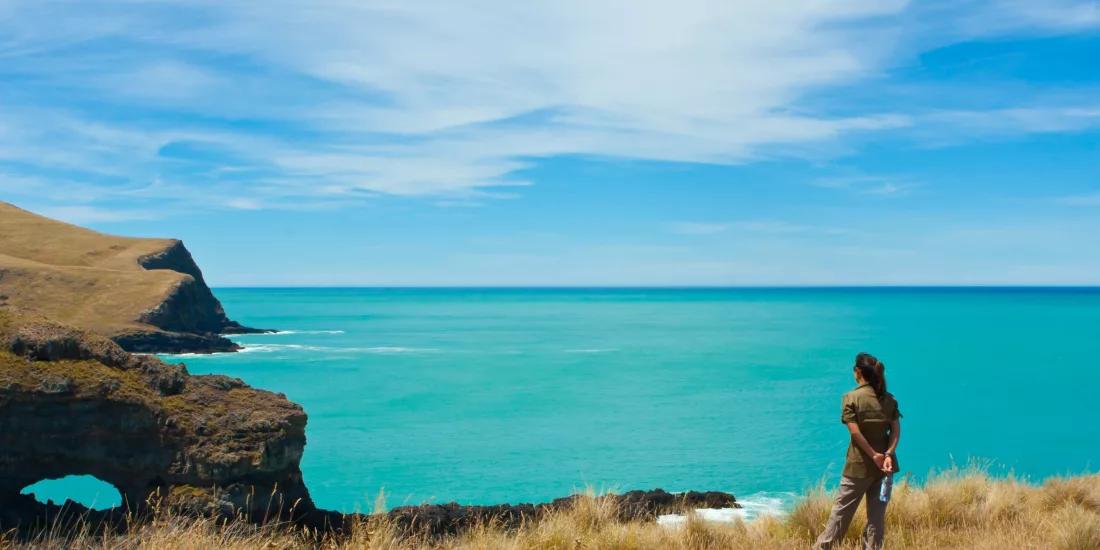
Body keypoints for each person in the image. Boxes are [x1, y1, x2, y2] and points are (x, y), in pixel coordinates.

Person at [813, 352, 902, 550]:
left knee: (840, 516)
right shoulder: (889, 399)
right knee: (876, 520)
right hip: (884, 469)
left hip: (858, 467)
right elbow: (895, 430)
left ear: (858, 371)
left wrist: (874, 456)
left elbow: (855, 433)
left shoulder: (851, 398)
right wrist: (887, 454)